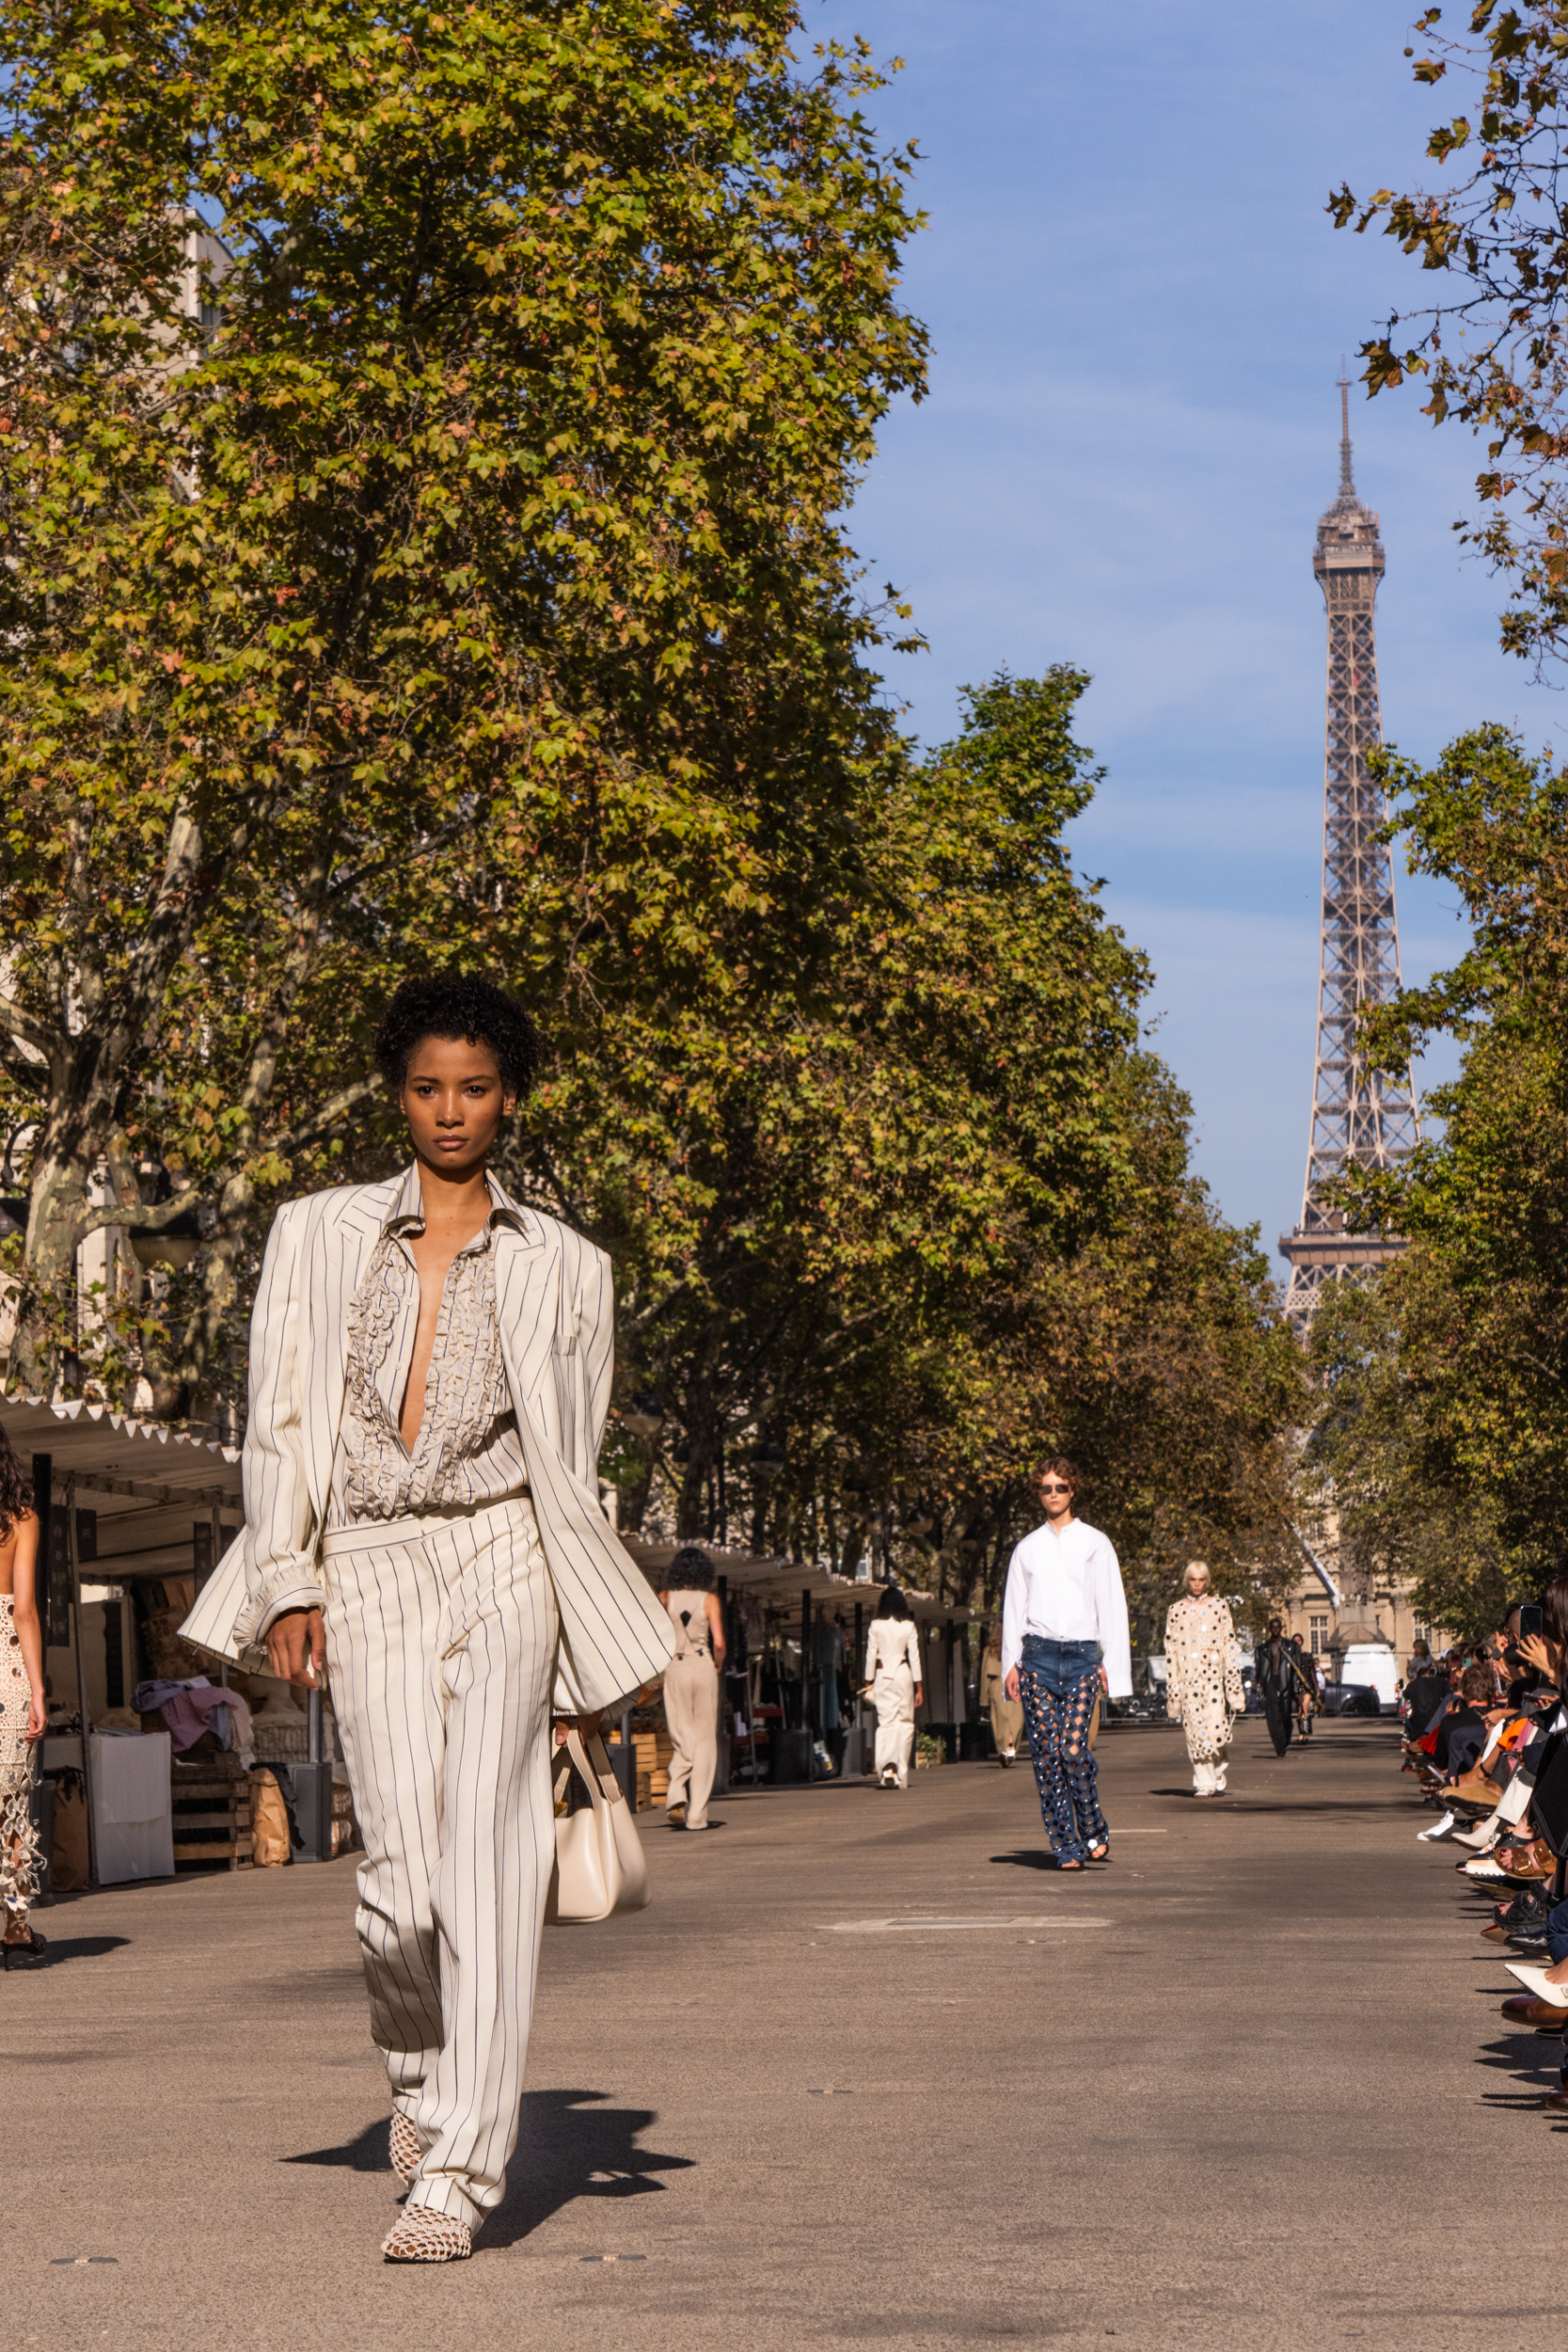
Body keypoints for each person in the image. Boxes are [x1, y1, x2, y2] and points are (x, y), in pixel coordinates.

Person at [181, 973, 674, 2264]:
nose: (449, 1112)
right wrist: (286, 1577)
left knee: (492, 1865)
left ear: (507, 1099)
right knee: (397, 1885)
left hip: (506, 1548)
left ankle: (460, 2167)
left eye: (473, 1089)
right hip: (373, 1556)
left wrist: (580, 1635)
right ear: (396, 1093)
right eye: (425, 1088)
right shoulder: (317, 1234)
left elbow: (571, 1456)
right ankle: (417, 2076)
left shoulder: (570, 1264)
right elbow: (278, 1418)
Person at [1001, 1459, 1132, 1869]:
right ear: (1038, 1494)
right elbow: (1013, 1608)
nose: (1053, 1493)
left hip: (1081, 1658)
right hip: (1037, 1658)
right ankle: (1064, 1845)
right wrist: (1011, 1663)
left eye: (1060, 1487)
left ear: (1073, 1491)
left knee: (1073, 1750)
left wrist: (1113, 1664)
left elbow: (1111, 1605)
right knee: (1047, 1756)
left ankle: (1091, 1824)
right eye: (1045, 1488)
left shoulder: (1096, 1543)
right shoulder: (1027, 1548)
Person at [0, 1424, 45, 1966]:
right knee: (11, 1808)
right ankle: (15, 1927)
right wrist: (37, 1690)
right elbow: (24, 1609)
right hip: (6, 1669)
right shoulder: (21, 1520)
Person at [657, 1545, 725, 1831]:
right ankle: (697, 1814)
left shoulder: (665, 1598)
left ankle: (675, 1791)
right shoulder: (709, 1600)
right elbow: (719, 1643)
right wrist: (717, 1665)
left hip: (674, 1665)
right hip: (703, 1666)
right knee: (705, 1740)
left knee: (680, 1732)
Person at [1164, 1561, 1243, 1798]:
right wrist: (1174, 1691)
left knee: (1215, 1729)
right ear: (1186, 1581)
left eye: (1201, 1579)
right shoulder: (1175, 1610)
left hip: (1213, 1680)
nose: (1197, 1584)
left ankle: (1218, 1766)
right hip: (1188, 1682)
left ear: (1206, 1580)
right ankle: (1204, 1782)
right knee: (1195, 1733)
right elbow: (1171, 1651)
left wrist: (1233, 1686)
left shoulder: (1219, 1606)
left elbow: (1230, 1644)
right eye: (1192, 1579)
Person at [864, 1587, 923, 1788]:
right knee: (905, 1723)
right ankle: (901, 1772)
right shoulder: (908, 1626)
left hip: (882, 1675)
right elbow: (914, 1656)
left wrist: (867, 1682)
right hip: (903, 1673)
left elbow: (871, 1654)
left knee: (885, 1723)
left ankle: (886, 1768)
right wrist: (919, 1687)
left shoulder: (875, 1626)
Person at [1254, 1618, 1302, 1757]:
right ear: (1269, 1629)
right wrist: (1260, 1687)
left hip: (1286, 1682)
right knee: (1272, 1718)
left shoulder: (1291, 1647)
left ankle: (1285, 1738)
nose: (1275, 1630)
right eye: (1272, 1627)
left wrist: (1297, 1690)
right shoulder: (1262, 1649)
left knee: (1285, 1716)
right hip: (1270, 1683)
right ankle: (1279, 1747)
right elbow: (1259, 1671)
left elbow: (1296, 1670)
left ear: (1281, 1628)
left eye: (1277, 1627)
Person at [978, 1622, 1023, 1765]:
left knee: (1000, 1722)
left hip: (996, 1685)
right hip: (1015, 1685)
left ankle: (1003, 1750)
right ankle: (1011, 1747)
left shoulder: (989, 1650)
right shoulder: (1018, 1648)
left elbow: (984, 1676)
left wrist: (983, 1701)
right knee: (1016, 1721)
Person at [1291, 1634, 1319, 1740]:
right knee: (1300, 1710)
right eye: (1295, 1641)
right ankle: (1303, 1732)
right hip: (1296, 1687)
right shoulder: (1291, 1657)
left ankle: (1302, 1735)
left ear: (1302, 1642)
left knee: (1304, 1707)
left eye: (1299, 1640)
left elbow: (1312, 1673)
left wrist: (1316, 1689)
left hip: (1307, 1686)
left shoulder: (1307, 1656)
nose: (1297, 1642)